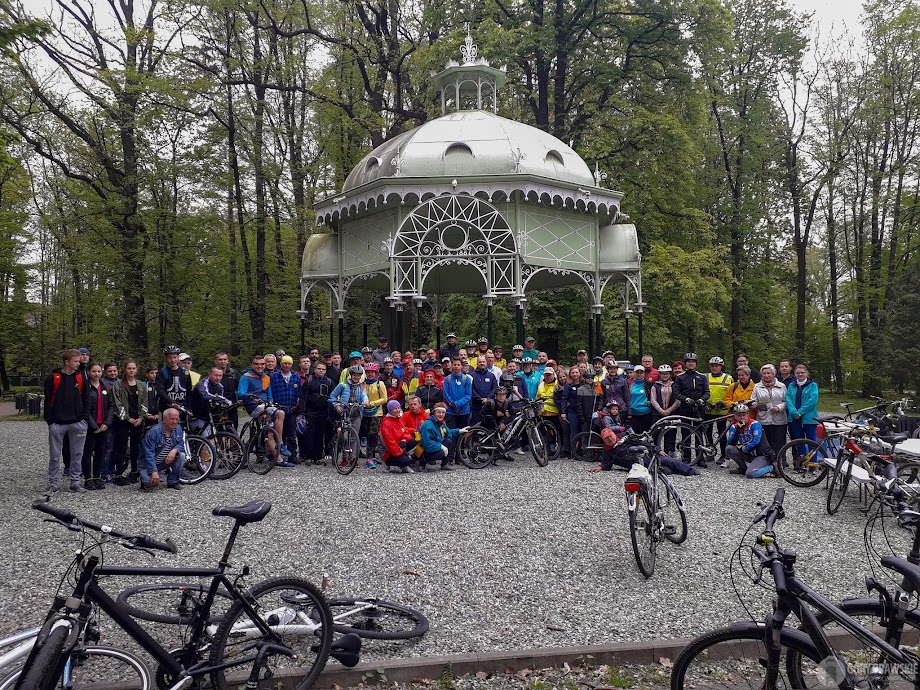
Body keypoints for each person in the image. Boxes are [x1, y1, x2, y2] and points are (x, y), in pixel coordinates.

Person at [43, 349, 90, 497]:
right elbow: (48, 400)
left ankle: (75, 482)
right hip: (58, 423)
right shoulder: (53, 378)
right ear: (67, 362)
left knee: (77, 453)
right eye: (75, 361)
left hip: (78, 422)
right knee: (55, 455)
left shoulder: (81, 378)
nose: (78, 363)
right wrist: (50, 421)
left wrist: (84, 419)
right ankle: (54, 483)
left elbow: (86, 399)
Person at [237, 354, 291, 467]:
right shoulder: (246, 377)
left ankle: (278, 460)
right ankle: (280, 443)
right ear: (252, 365)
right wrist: (251, 396)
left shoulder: (266, 377)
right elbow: (240, 393)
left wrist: (271, 403)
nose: (259, 366)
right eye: (256, 364)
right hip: (253, 406)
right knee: (280, 413)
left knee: (270, 432)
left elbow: (269, 395)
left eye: (262, 364)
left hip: (265, 406)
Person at [111, 360, 147, 486]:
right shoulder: (118, 385)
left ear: (136, 370)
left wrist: (141, 417)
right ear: (125, 370)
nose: (131, 370)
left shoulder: (141, 385)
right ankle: (119, 473)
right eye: (129, 368)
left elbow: (145, 402)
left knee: (135, 447)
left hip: (138, 421)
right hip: (123, 421)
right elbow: (117, 404)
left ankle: (134, 471)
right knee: (121, 447)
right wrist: (127, 418)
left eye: (133, 368)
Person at [329, 365, 371, 464]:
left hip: (356, 413)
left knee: (354, 437)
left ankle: (353, 458)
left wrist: (366, 402)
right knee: (345, 436)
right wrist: (337, 406)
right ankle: (345, 457)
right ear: (351, 375)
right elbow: (332, 397)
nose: (356, 377)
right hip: (345, 413)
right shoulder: (343, 385)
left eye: (358, 375)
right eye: (355, 375)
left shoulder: (361, 386)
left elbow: (364, 396)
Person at [82, 363, 113, 490]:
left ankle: (97, 476)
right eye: (94, 371)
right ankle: (88, 478)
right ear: (89, 372)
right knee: (87, 452)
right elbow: (84, 409)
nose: (97, 374)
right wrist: (94, 426)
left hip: (104, 425)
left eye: (99, 371)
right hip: (90, 426)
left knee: (101, 451)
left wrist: (107, 423)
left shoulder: (106, 387)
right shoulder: (85, 388)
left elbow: (111, 406)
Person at [140, 407, 186, 490]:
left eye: (176, 419)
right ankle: (145, 476)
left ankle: (173, 481)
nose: (174, 422)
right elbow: (149, 454)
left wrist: (174, 450)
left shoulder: (178, 428)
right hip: (148, 464)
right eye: (172, 419)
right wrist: (153, 471)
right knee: (149, 482)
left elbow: (181, 444)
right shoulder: (153, 432)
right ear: (164, 419)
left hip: (163, 462)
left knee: (181, 456)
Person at [724, 404, 775, 478]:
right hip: (749, 454)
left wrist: (745, 448)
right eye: (739, 415)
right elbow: (731, 443)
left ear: (748, 415)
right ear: (735, 416)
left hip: (761, 455)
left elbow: (756, 441)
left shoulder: (755, 424)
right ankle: (743, 468)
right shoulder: (734, 427)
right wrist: (737, 430)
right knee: (729, 449)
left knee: (750, 474)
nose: (742, 417)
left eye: (744, 415)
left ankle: (772, 468)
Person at [299, 361, 332, 464]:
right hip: (310, 411)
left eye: (323, 369)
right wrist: (301, 412)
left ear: (325, 371)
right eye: (319, 369)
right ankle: (308, 456)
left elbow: (332, 397)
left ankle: (318, 456)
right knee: (310, 434)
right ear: (315, 369)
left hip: (323, 412)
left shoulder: (329, 382)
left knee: (320, 434)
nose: (321, 371)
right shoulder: (309, 381)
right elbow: (302, 397)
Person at [751, 364, 787, 457]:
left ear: (773, 374)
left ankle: (780, 461)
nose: (766, 375)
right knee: (765, 443)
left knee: (779, 442)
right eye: (764, 373)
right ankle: (767, 461)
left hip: (779, 419)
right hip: (763, 418)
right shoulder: (757, 387)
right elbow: (754, 401)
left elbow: (787, 401)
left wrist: (779, 407)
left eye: (768, 373)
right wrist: (751, 403)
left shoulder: (782, 386)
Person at [270, 355, 301, 461]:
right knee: (278, 433)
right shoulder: (274, 376)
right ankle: (275, 454)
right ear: (281, 364)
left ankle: (292, 455)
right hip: (278, 409)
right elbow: (271, 391)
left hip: (291, 409)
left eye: (289, 364)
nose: (287, 365)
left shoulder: (296, 377)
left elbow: (299, 392)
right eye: (285, 363)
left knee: (291, 434)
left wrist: (297, 405)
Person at [706, 356, 734, 460]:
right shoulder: (705, 377)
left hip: (722, 411)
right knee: (707, 433)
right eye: (712, 366)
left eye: (717, 366)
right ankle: (709, 454)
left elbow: (732, 393)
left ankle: (723, 455)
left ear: (721, 367)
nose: (714, 368)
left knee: (722, 434)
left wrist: (724, 403)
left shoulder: (728, 378)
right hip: (708, 410)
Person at [419, 403, 460, 471]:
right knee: (441, 453)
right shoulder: (427, 424)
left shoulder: (441, 423)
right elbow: (427, 443)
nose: (441, 414)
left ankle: (444, 464)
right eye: (438, 412)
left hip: (435, 447)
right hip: (425, 450)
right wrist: (441, 446)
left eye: (443, 412)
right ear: (434, 412)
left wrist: (459, 431)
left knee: (448, 441)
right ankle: (422, 463)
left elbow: (448, 432)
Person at [786, 364, 819, 448]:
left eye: (802, 372)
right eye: (798, 373)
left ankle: (812, 457)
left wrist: (800, 412)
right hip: (794, 418)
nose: (800, 374)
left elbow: (812, 401)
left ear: (806, 373)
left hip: (809, 419)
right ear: (795, 374)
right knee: (798, 442)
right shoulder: (791, 385)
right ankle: (801, 456)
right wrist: (794, 412)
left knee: (812, 442)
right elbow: (788, 399)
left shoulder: (813, 385)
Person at [379, 400, 416, 473]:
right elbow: (389, 443)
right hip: (387, 451)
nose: (398, 410)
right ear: (390, 410)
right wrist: (403, 452)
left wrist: (404, 440)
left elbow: (404, 432)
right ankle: (386, 463)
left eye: (398, 408)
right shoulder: (386, 423)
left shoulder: (398, 419)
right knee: (407, 461)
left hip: (398, 446)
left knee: (413, 442)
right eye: (395, 408)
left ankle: (403, 462)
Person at [155, 345, 193, 413]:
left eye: (174, 357)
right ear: (166, 358)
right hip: (167, 407)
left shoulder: (185, 372)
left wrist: (188, 406)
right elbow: (160, 390)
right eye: (170, 358)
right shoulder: (162, 373)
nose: (172, 360)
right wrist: (171, 402)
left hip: (182, 408)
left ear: (178, 357)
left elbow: (189, 391)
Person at [443, 358, 472, 428]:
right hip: (450, 411)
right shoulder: (447, 379)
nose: (456, 366)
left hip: (464, 411)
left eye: (458, 365)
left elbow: (468, 395)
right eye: (455, 365)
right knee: (451, 431)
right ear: (452, 365)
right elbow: (445, 393)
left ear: (461, 366)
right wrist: (451, 403)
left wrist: (457, 404)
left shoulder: (466, 379)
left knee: (464, 431)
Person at [470, 356, 498, 425]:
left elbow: (495, 388)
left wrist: (488, 398)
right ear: (477, 363)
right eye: (480, 362)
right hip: (476, 406)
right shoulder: (471, 375)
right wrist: (480, 399)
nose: (482, 363)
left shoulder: (491, 376)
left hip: (489, 406)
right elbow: (470, 389)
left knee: (489, 426)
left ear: (486, 363)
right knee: (476, 426)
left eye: (483, 362)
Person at [214, 352, 239, 427]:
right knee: (218, 427)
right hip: (217, 404)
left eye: (224, 359)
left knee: (233, 426)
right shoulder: (212, 374)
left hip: (232, 403)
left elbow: (239, 388)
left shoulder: (234, 373)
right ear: (216, 361)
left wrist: (240, 399)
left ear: (228, 361)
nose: (223, 361)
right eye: (220, 359)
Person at [628, 365, 652, 432]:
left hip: (646, 412)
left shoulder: (648, 384)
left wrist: (650, 401)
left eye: (641, 373)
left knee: (646, 433)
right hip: (633, 413)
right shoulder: (628, 384)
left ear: (644, 374)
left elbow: (652, 395)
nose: (639, 374)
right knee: (634, 434)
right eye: (637, 372)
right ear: (634, 373)